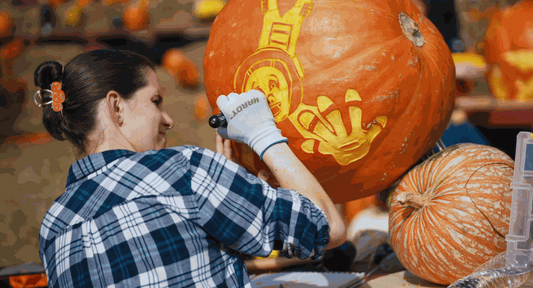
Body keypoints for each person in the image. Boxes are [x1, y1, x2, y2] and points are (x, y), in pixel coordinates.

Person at [34, 49, 346, 287]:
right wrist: (265, 136)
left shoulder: (53, 228)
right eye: (156, 101)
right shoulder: (182, 170)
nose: (167, 119)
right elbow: (327, 228)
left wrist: (221, 201)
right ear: (116, 107)